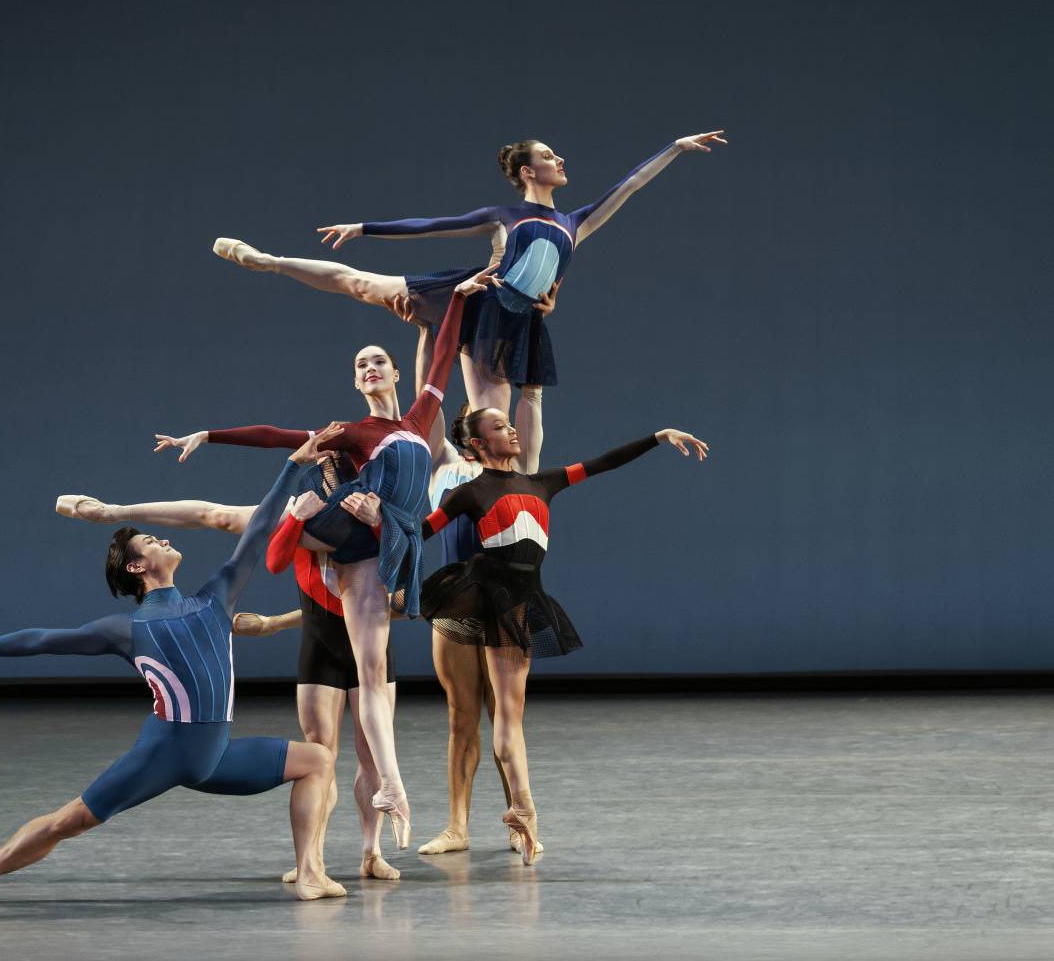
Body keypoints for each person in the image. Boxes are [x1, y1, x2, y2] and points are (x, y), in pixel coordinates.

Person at [0, 429, 350, 905]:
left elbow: (259, 527)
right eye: (150, 541)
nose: (163, 538)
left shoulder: (217, 598)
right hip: (163, 752)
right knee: (68, 822)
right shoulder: (126, 629)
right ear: (136, 567)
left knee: (318, 760)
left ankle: (310, 873)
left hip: (216, 754)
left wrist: (293, 465)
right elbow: (42, 640)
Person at [151, 270, 495, 850]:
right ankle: (119, 513)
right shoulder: (354, 431)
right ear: (356, 381)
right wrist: (207, 435)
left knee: (373, 676)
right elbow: (277, 435)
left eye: (378, 361)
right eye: (361, 364)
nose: (370, 367)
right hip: (350, 536)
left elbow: (441, 357)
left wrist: (458, 300)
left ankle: (390, 786)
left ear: (394, 373)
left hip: (382, 542)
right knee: (243, 520)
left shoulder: (420, 418)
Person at [347, 411, 709, 864]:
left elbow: (603, 463)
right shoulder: (468, 492)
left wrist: (658, 436)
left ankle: (522, 815)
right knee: (462, 714)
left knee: (508, 719)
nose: (511, 430)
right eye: (500, 427)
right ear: (478, 445)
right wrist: (379, 519)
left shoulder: (544, 482)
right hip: (472, 593)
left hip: (514, 604)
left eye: (508, 424)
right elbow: (420, 534)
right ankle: (464, 826)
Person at [210, 130, 726, 443]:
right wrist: (364, 228)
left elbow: (629, 186)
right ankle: (268, 261)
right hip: (473, 293)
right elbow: (432, 225)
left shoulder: (576, 223)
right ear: (528, 171)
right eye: (550, 155)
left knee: (491, 423)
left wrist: (675, 149)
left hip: (508, 323)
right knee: (359, 282)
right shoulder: (505, 215)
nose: (561, 161)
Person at [53, 456, 402, 881]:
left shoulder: (379, 515)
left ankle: (371, 851)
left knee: (372, 756)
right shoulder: (301, 511)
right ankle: (313, 860)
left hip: (370, 650)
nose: (332, 474)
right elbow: (217, 518)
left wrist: (381, 525)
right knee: (320, 755)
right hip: (321, 646)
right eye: (326, 467)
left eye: (339, 467)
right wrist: (111, 511)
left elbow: (398, 599)